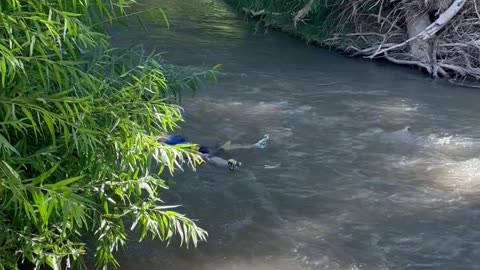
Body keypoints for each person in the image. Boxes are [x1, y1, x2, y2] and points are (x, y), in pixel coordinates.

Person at [162, 134, 269, 171]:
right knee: (221, 149)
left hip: (197, 152)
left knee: (210, 159)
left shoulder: (162, 145)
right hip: (201, 148)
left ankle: (237, 166)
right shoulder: (168, 137)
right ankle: (254, 146)